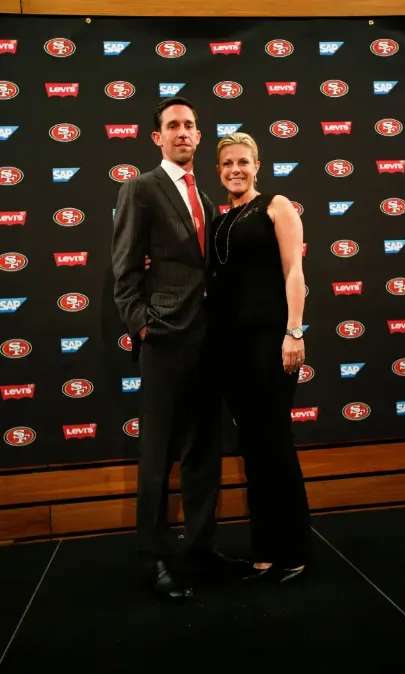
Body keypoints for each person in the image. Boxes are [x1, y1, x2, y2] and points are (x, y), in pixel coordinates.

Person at [111, 97, 225, 601]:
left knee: (204, 450)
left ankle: (199, 547)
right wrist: (144, 327)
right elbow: (125, 272)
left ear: (200, 137)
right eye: (173, 126)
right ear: (157, 137)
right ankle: (153, 558)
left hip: (209, 339)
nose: (183, 132)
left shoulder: (209, 195)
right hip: (165, 339)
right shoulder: (140, 188)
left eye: (190, 126)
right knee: (157, 453)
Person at [208, 132, 312, 583]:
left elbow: (294, 270)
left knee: (276, 445)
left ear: (257, 165)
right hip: (232, 348)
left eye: (243, 162)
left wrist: (293, 332)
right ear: (218, 170)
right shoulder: (219, 221)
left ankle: (295, 551)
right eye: (228, 163)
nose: (236, 169)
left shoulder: (276, 205)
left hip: (272, 341)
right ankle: (264, 551)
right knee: (253, 449)